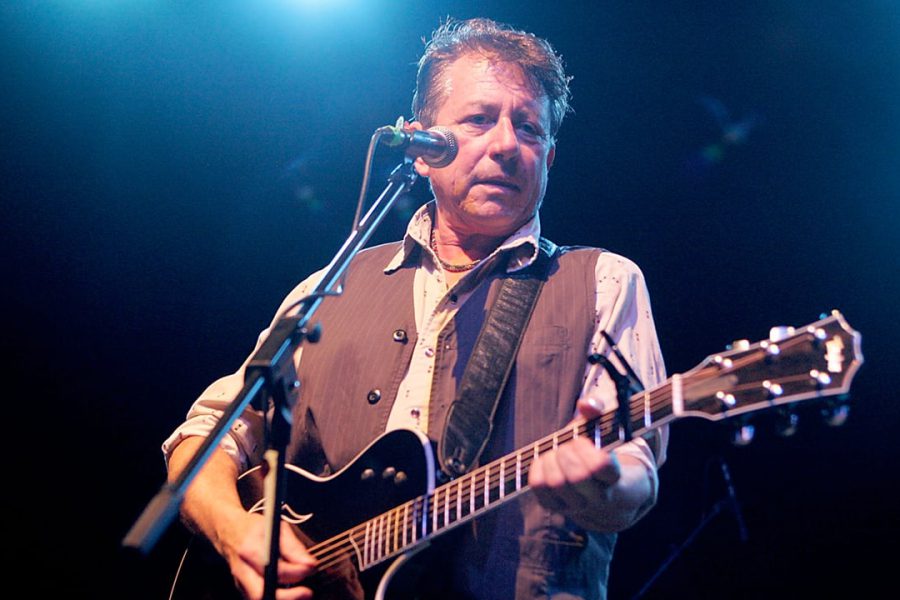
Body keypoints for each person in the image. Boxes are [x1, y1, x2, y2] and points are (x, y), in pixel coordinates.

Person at [163, 17, 668, 600]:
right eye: (479, 119)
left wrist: (604, 482)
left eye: (528, 128)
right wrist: (234, 531)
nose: (506, 144)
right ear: (421, 146)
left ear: (549, 158)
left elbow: (636, 467)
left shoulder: (603, 281)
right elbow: (205, 436)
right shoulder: (331, 287)